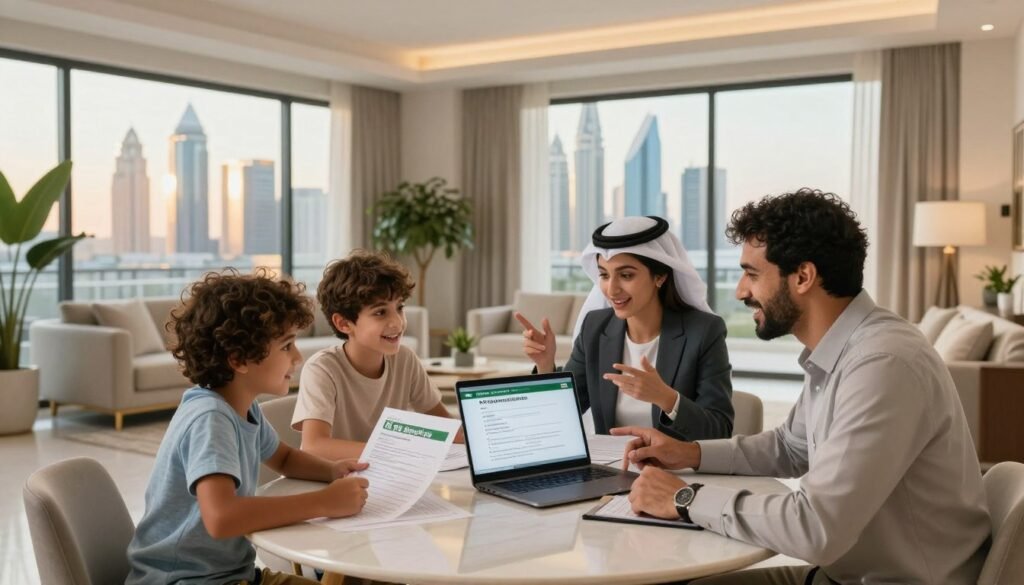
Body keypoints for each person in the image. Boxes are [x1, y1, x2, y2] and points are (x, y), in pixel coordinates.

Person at [616, 189, 990, 585]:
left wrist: (683, 498)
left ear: (803, 277)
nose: (741, 291)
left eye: (753, 274)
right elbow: (790, 447)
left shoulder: (883, 364)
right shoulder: (843, 350)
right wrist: (687, 453)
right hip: (845, 573)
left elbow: (816, 529)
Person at [126, 270, 370, 585]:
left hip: (231, 576)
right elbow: (221, 517)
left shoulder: (242, 406)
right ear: (239, 359)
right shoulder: (210, 419)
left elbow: (284, 459)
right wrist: (324, 503)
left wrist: (333, 471)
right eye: (286, 345)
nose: (297, 357)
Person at [517, 216, 734, 440]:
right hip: (611, 468)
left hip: (674, 471)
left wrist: (666, 398)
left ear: (659, 277)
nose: (612, 290)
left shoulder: (704, 331)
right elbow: (561, 414)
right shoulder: (594, 328)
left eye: (626, 275)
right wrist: (545, 365)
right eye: (604, 275)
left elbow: (719, 430)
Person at [293, 249, 462, 460]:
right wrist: (398, 452)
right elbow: (314, 447)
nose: (398, 323)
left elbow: (447, 427)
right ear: (344, 323)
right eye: (380, 312)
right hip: (336, 482)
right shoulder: (322, 369)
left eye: (399, 308)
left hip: (388, 476)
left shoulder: (404, 359)